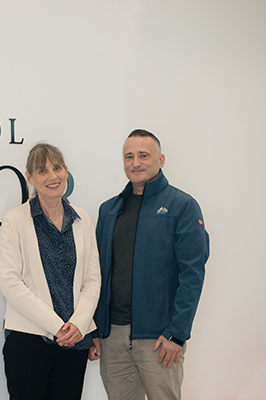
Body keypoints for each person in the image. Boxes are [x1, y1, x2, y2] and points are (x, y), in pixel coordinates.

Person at [89, 129, 209, 400]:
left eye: (144, 155)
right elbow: (97, 274)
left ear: (161, 160)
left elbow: (193, 274)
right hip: (113, 338)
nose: (136, 163)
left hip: (159, 340)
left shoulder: (183, 206)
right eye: (129, 156)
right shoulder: (109, 210)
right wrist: (95, 328)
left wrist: (177, 334)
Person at [0, 143, 101, 400]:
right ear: (30, 177)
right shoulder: (15, 220)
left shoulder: (83, 219)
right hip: (29, 341)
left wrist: (78, 325)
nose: (52, 176)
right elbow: (11, 284)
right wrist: (58, 327)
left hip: (74, 340)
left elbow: (92, 280)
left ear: (66, 171)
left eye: (57, 168)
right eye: (42, 171)